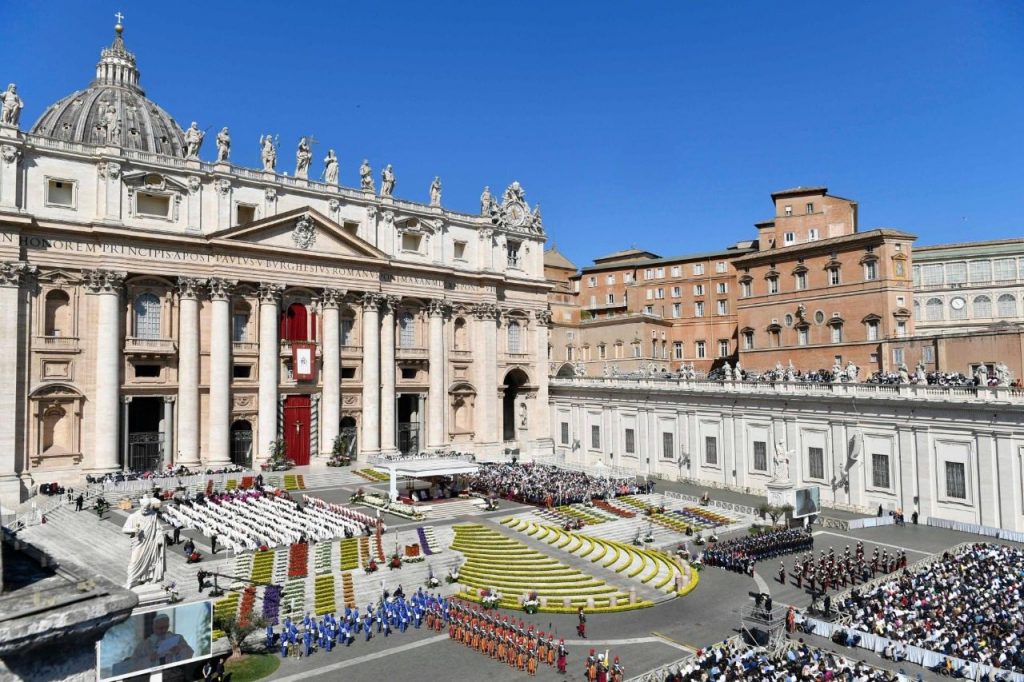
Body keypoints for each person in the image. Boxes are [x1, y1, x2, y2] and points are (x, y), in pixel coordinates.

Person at [130, 613, 194, 668]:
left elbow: (189, 654)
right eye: (160, 628)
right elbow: (133, 664)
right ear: (154, 627)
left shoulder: (178, 639)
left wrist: (179, 651)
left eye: (166, 627)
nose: (163, 630)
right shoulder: (144, 645)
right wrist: (149, 659)